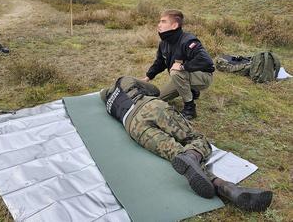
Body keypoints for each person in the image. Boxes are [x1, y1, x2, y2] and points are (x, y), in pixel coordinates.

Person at [100, 76, 273, 212]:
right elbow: (155, 90)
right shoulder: (125, 80)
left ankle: (222, 186)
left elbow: (102, 94)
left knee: (174, 152)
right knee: (197, 140)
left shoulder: (108, 101)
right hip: (152, 107)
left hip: (134, 127)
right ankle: (197, 160)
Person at [142, 9, 214, 119]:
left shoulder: (188, 40)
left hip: (203, 77)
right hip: (183, 77)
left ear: (174, 25)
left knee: (176, 72)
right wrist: (148, 76)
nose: (159, 25)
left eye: (163, 21)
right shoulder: (164, 43)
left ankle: (190, 108)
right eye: (159, 21)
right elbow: (160, 62)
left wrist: (183, 66)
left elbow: (206, 61)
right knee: (158, 98)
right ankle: (191, 90)